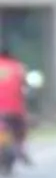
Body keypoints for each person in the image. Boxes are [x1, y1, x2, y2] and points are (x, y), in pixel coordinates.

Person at [0, 38, 33, 168]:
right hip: (15, 108)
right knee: (21, 128)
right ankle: (21, 148)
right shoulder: (18, 66)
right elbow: (25, 86)